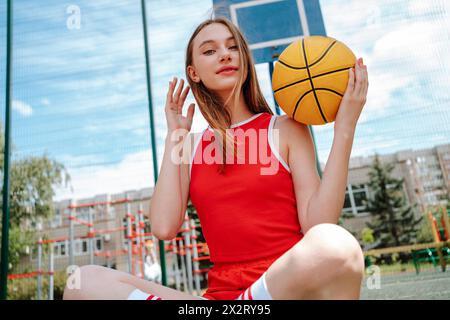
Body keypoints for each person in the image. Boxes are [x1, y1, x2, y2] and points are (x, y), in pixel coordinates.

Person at [63, 16, 368, 300]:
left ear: (244, 61)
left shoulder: (285, 128)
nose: (225, 54)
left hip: (280, 288)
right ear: (193, 72)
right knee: (84, 281)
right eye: (210, 51)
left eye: (233, 47)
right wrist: (175, 137)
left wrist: (345, 128)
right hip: (219, 297)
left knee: (336, 246)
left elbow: (318, 223)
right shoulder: (190, 146)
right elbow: (164, 227)